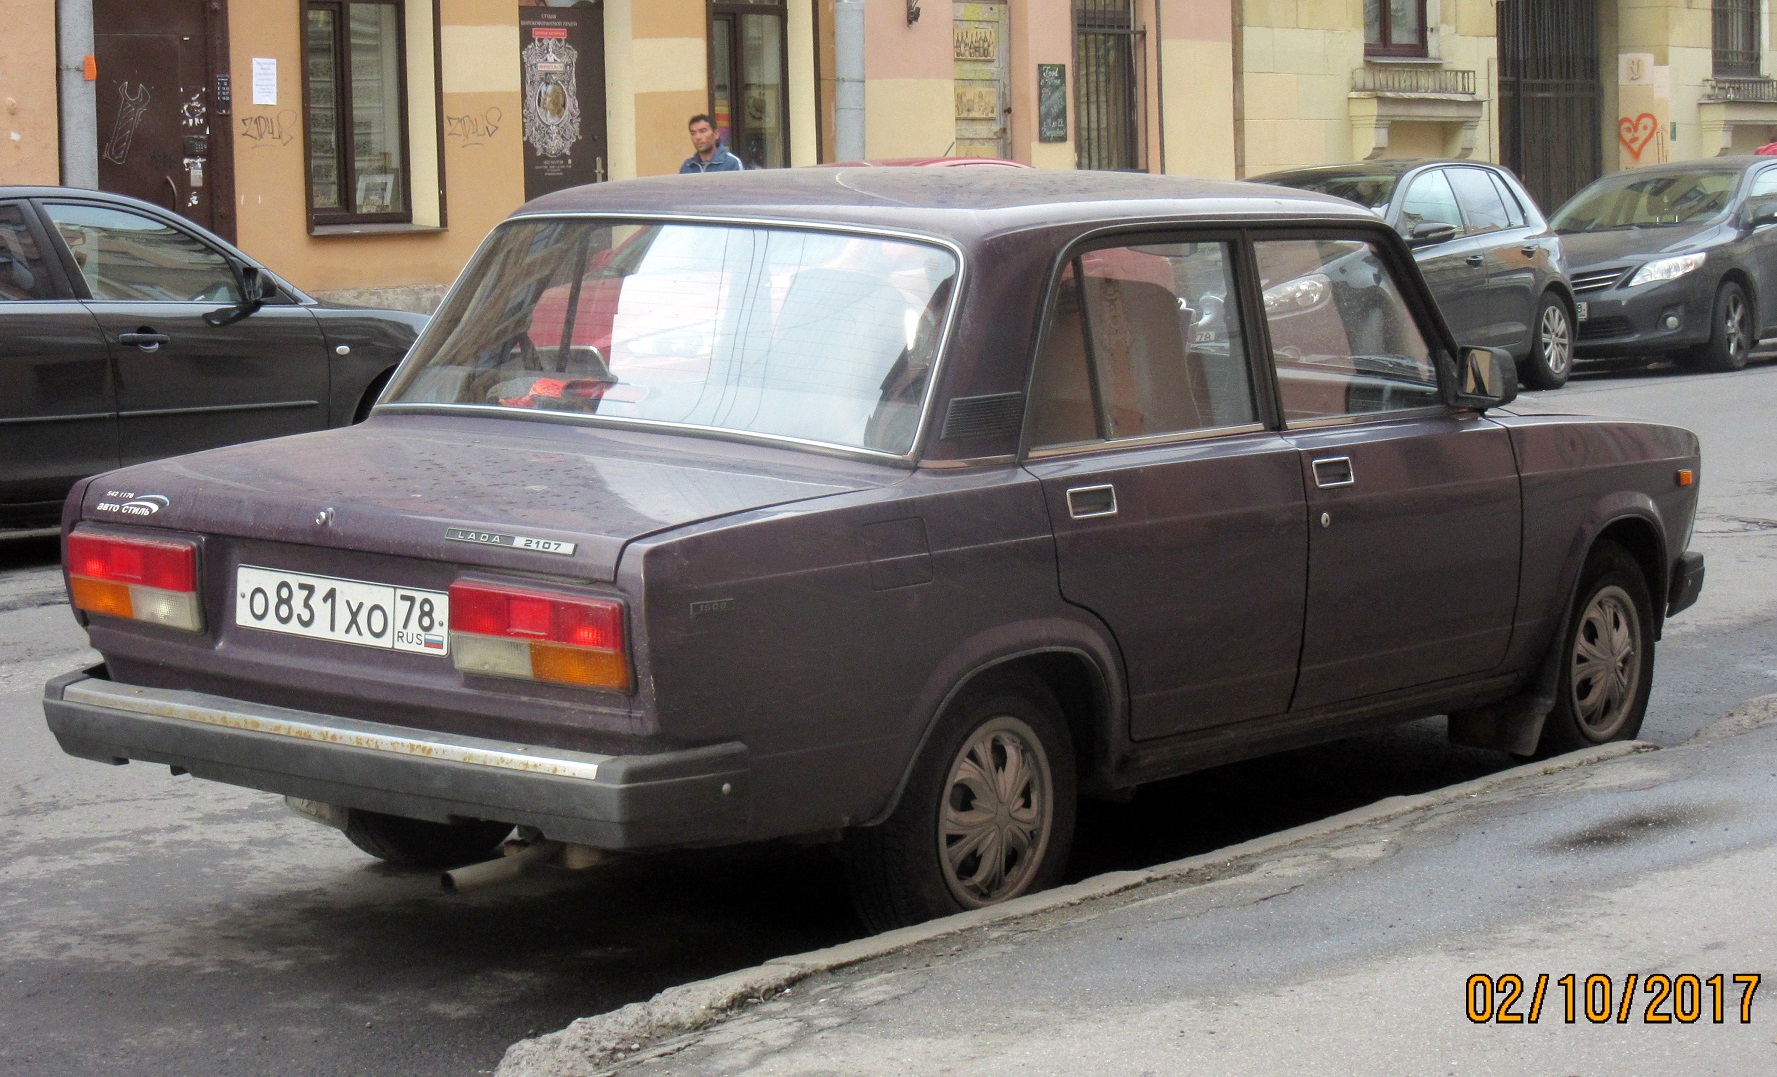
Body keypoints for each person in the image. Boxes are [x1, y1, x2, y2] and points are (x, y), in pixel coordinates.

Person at [680, 115, 745, 174]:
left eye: (703, 131)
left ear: (716, 134)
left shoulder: (731, 163)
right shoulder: (688, 166)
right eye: (693, 133)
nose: (698, 137)